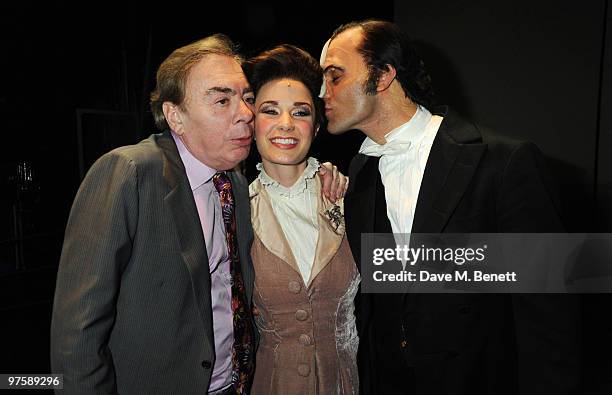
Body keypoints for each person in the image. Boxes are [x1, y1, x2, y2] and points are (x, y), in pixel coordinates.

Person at [51, 34, 344, 395]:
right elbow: (77, 334)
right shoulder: (130, 172)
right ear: (175, 115)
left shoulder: (234, 185)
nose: (245, 113)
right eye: (222, 100)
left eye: (247, 98)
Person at [320, 20, 582, 394]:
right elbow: (385, 302)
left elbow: (549, 313)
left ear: (382, 77)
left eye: (334, 76)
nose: (323, 92)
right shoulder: (361, 172)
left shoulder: (502, 160)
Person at [242, 44, 360, 394]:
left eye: (301, 112)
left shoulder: (348, 196)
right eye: (270, 110)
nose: (286, 125)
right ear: (251, 123)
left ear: (317, 126)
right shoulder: (234, 209)